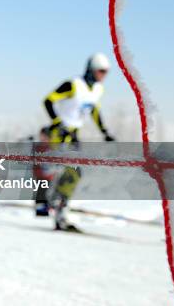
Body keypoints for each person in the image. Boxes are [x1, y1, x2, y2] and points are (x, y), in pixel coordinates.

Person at [43, 53, 115, 230]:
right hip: (59, 134)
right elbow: (48, 101)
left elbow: (94, 110)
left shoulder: (97, 89)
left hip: (74, 134)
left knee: (74, 172)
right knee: (61, 171)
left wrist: (104, 132)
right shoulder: (73, 85)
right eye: (101, 71)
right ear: (91, 69)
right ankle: (50, 202)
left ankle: (59, 210)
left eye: (106, 72)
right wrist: (58, 123)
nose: (103, 75)